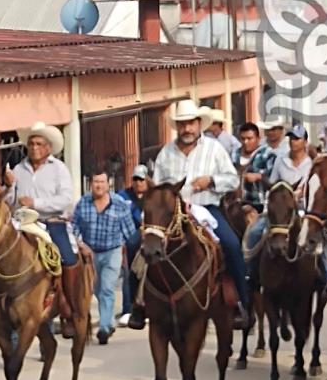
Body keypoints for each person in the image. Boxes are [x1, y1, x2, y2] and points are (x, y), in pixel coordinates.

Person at [137, 99, 251, 330]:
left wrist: (211, 181)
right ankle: (139, 304)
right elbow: (158, 186)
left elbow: (231, 178)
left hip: (206, 207)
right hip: (172, 212)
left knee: (231, 245)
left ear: (199, 124)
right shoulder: (166, 153)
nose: (187, 129)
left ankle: (241, 301)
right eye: (182, 124)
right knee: (137, 245)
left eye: (191, 124)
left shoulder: (214, 149)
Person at [0, 121, 78, 337]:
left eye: (39, 143)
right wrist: (7, 187)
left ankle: (69, 308)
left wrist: (36, 203)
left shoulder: (59, 169)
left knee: (67, 259)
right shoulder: (18, 169)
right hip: (22, 223)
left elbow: (66, 199)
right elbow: (10, 201)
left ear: (48, 147)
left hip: (51, 222)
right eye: (31, 144)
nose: (34, 148)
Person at [73, 170, 138, 344]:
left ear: (108, 184)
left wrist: (123, 246)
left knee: (108, 289)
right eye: (95, 182)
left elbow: (130, 231)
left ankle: (103, 329)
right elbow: (74, 227)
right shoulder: (83, 203)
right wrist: (80, 245)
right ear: (90, 184)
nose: (99, 185)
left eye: (102, 181)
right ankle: (109, 322)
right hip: (90, 252)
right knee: (96, 289)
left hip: (112, 251)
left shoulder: (119, 204)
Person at [244, 124, 315, 285]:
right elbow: (274, 185)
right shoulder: (280, 161)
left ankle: (324, 276)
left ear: (305, 142)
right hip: (279, 209)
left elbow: (314, 190)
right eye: (291, 138)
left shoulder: (311, 165)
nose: (293, 142)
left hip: (302, 208)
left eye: (297, 139)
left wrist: (301, 194)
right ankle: (252, 275)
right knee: (255, 231)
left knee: (318, 242)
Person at [115, 164, 149, 325]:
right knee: (130, 273)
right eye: (135, 179)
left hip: (150, 236)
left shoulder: (152, 196)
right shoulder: (123, 196)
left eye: (141, 179)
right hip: (130, 239)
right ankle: (128, 309)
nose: (138, 183)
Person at [237, 122, 274, 215]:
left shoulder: (267, 154)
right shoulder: (234, 154)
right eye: (243, 139)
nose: (245, 142)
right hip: (237, 204)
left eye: (249, 139)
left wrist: (259, 176)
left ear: (258, 139)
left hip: (259, 204)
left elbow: (274, 179)